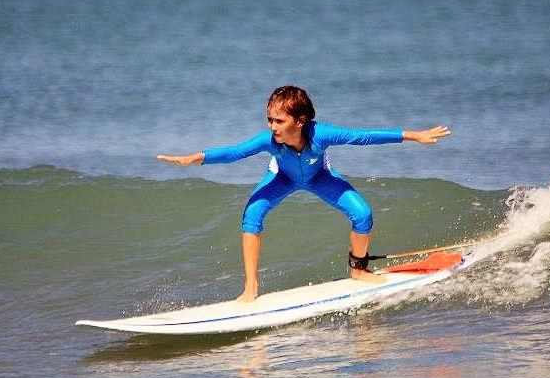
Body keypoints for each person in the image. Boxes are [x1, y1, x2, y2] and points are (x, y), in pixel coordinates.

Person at [158, 86, 450, 302]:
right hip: (281, 177)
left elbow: (363, 136)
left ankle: (359, 269)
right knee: (252, 214)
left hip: (318, 176)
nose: (272, 127)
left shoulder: (321, 134)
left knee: (362, 214)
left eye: (278, 121)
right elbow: (234, 153)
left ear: (300, 120)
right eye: (269, 119)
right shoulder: (270, 141)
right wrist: (193, 158)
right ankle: (250, 287)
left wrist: (413, 135)